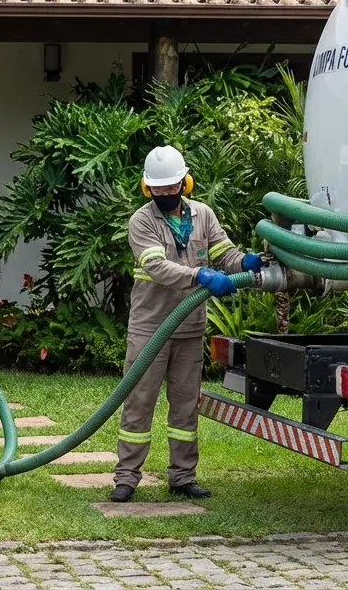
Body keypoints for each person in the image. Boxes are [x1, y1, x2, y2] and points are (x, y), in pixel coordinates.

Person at [111, 145, 263, 503]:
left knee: (184, 407)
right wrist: (200, 276)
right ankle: (126, 478)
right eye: (158, 188)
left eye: (171, 186)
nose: (165, 193)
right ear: (147, 188)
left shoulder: (203, 215)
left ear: (185, 183)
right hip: (151, 327)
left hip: (190, 328)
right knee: (139, 403)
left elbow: (224, 253)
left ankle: (182, 477)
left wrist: (245, 262)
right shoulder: (142, 221)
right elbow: (156, 266)